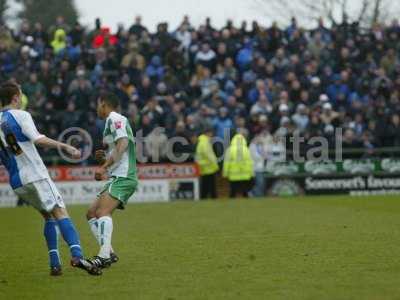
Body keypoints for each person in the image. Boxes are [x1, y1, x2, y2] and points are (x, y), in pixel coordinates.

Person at [0, 82, 101, 276]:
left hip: (16, 181)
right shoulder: (21, 115)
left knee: (48, 217)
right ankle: (77, 255)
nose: (21, 99)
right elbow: (38, 139)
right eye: (20, 95)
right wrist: (65, 146)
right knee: (60, 212)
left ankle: (55, 263)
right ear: (14, 98)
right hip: (35, 174)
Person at [86, 92, 138, 268]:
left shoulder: (115, 118)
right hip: (117, 175)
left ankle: (103, 256)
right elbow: (117, 150)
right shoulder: (109, 123)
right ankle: (109, 252)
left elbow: (123, 143)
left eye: (97, 104)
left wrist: (104, 167)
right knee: (91, 213)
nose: (96, 108)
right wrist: (103, 158)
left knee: (102, 213)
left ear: (104, 104)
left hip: (124, 176)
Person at [223, 128, 254, 198]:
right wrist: (251, 173)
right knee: (245, 192)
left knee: (233, 192)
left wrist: (225, 173)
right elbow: (250, 163)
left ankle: (230, 206)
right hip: (245, 175)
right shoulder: (246, 149)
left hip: (233, 175)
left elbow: (226, 163)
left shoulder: (230, 150)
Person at [195, 126, 219, 199]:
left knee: (205, 185)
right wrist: (215, 163)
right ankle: (212, 197)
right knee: (211, 185)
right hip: (209, 167)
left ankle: (204, 198)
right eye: (211, 133)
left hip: (204, 167)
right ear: (208, 133)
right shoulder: (205, 142)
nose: (212, 135)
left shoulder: (201, 142)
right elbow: (209, 155)